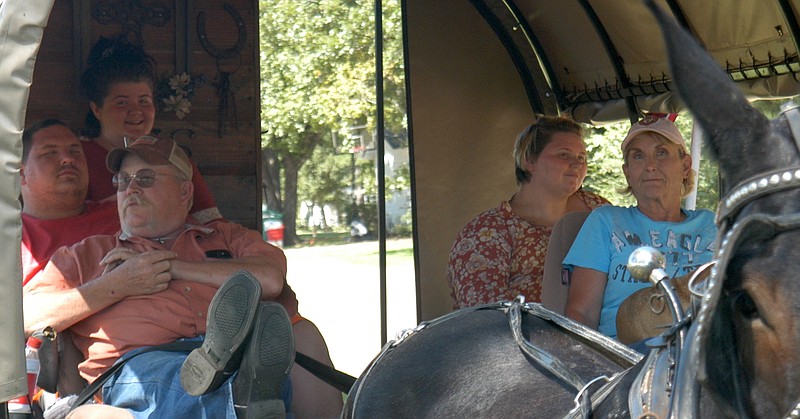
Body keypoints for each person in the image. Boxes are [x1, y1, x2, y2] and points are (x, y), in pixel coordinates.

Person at [23, 136, 298, 418]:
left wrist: (172, 267)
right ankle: (239, 397)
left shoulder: (228, 238)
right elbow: (26, 317)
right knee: (194, 382)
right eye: (122, 180)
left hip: (237, 357)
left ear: (185, 192)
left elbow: (270, 280)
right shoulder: (84, 255)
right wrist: (117, 284)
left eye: (145, 178)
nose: (129, 189)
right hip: (139, 365)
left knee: (257, 377)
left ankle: (234, 387)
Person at [562, 115, 717, 339]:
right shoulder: (606, 221)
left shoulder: (713, 225)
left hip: (702, 354)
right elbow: (582, 314)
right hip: (627, 361)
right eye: (638, 156)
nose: (650, 166)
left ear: (685, 165)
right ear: (627, 172)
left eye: (661, 153)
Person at [446, 116, 609, 309]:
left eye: (581, 157)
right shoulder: (487, 233)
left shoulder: (598, 209)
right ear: (529, 160)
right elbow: (486, 315)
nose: (577, 164)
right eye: (564, 155)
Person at [79, 35, 222, 223]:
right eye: (122, 102)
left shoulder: (173, 158)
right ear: (97, 109)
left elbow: (212, 224)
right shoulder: (78, 157)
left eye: (144, 101)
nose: (136, 111)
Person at [20, 119, 119, 286]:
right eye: (50, 152)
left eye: (75, 151)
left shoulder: (125, 213)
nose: (68, 159)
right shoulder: (9, 238)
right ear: (22, 174)